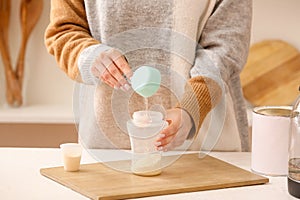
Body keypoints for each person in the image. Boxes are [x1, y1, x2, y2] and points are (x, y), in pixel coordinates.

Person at [45, 0, 252, 152]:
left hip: (206, 144)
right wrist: (91, 56)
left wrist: (193, 107)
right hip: (107, 146)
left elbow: (227, 45)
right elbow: (64, 30)